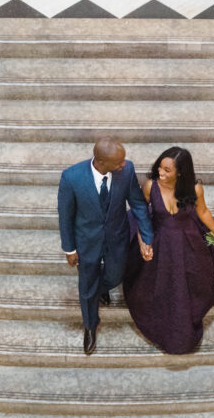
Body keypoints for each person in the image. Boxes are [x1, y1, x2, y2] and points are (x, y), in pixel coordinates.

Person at [123, 146, 214, 354]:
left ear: (180, 172)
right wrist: (143, 241)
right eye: (160, 167)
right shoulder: (151, 186)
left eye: (167, 170)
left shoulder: (195, 189)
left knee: (191, 280)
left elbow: (203, 212)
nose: (161, 172)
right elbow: (142, 215)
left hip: (188, 241)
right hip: (159, 241)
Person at [58, 137, 154, 355]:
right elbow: (65, 216)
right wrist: (69, 249)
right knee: (87, 285)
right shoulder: (71, 178)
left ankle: (101, 289)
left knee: (116, 275)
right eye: (118, 162)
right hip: (86, 241)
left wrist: (146, 237)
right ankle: (90, 325)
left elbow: (138, 204)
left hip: (117, 237)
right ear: (100, 162)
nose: (124, 164)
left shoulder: (126, 171)